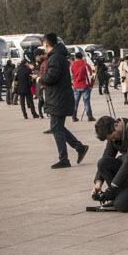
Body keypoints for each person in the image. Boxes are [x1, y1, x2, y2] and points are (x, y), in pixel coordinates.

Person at [38, 32, 89, 168]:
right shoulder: (59, 57)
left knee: (56, 128)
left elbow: (51, 78)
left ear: (45, 43)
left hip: (57, 98)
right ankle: (79, 147)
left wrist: (39, 79)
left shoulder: (54, 59)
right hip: (60, 97)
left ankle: (64, 158)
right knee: (58, 127)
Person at [70, 51, 95, 122]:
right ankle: (89, 116)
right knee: (86, 102)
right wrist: (90, 85)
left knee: (75, 102)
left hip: (76, 85)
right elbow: (90, 76)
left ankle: (74, 116)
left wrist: (73, 84)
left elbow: (71, 76)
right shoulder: (86, 65)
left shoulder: (72, 65)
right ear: (82, 57)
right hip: (85, 85)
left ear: (75, 57)